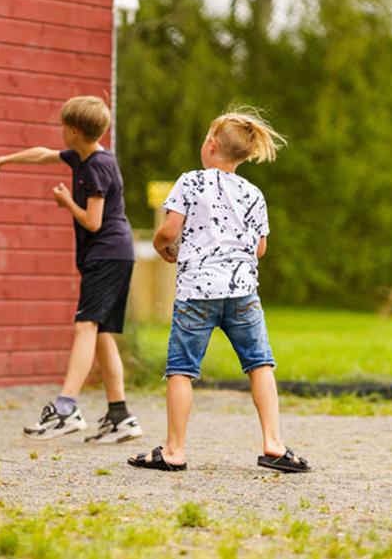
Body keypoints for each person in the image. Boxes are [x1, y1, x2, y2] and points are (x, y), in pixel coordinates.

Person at [127, 107, 307, 473]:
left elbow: (168, 231)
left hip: (197, 293)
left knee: (181, 369)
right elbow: (260, 248)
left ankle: (174, 450)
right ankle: (273, 444)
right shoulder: (253, 193)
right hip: (242, 293)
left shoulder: (190, 182)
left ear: (211, 143)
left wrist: (163, 247)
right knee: (260, 364)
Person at [0, 95, 142, 443]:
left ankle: (66, 409)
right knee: (100, 333)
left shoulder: (97, 166)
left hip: (107, 254)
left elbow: (94, 222)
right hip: (114, 255)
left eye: (62, 126)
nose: (60, 131)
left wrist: (66, 201)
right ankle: (120, 417)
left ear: (73, 131)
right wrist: (3, 160)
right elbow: (42, 154)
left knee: (85, 325)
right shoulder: (83, 155)